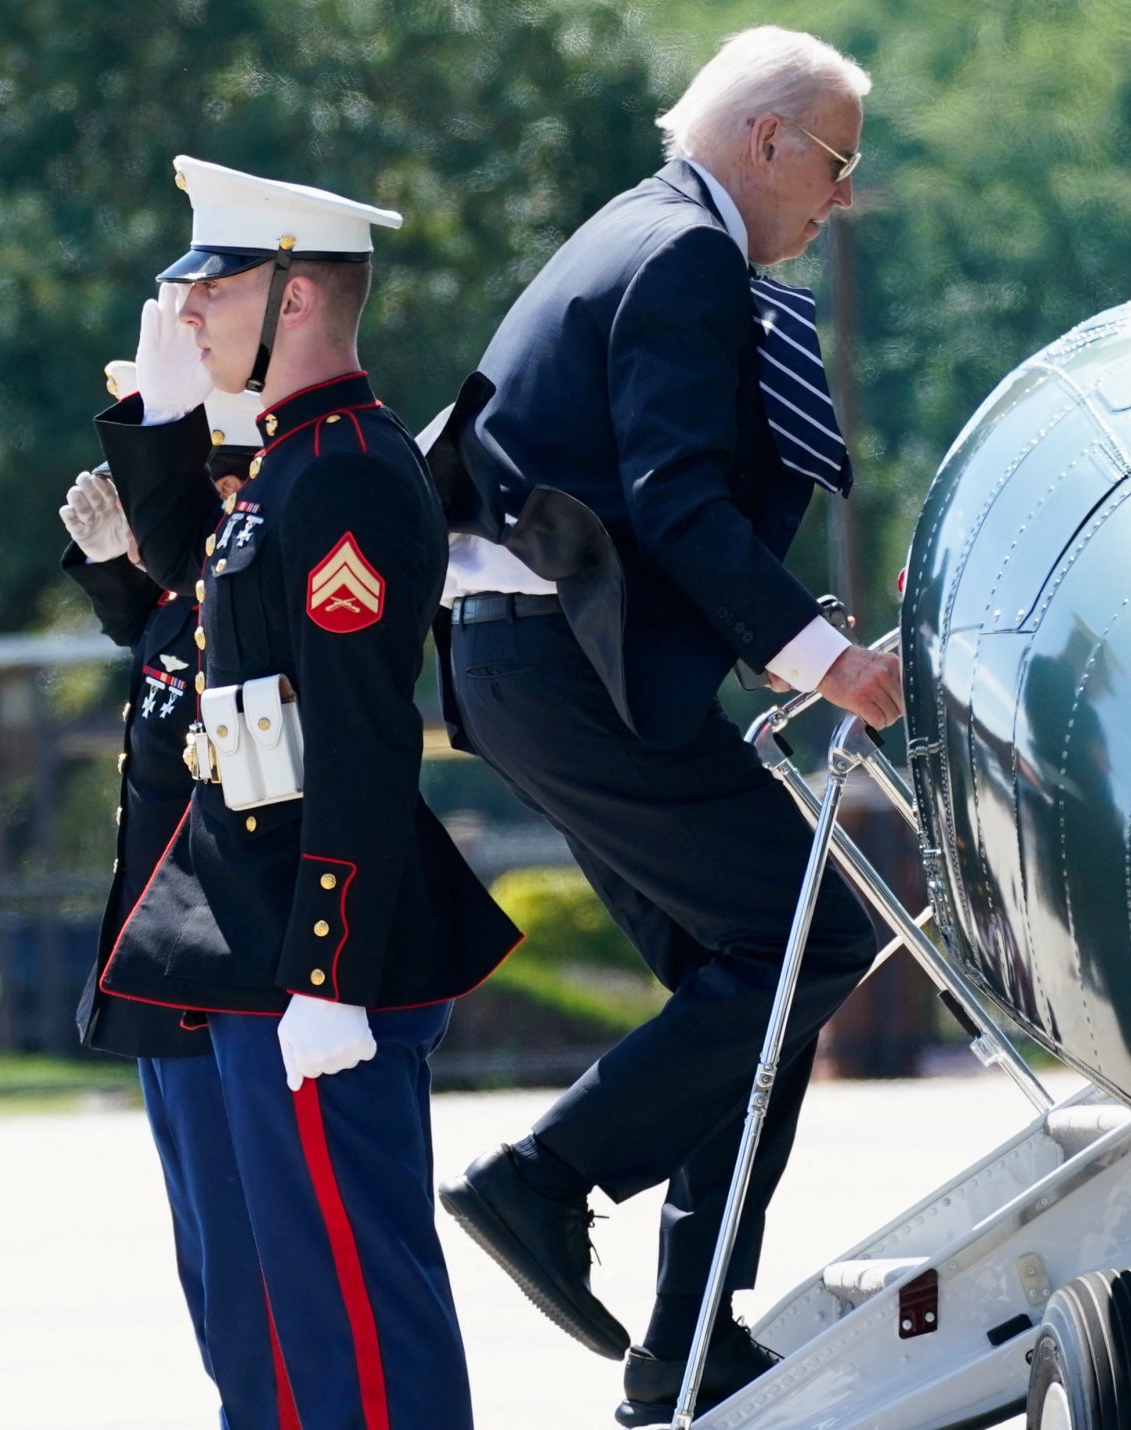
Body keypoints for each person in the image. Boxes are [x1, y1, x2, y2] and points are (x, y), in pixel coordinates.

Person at [428, 25, 899, 1426]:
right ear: (766, 141)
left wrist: (748, 629)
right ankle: (542, 1179)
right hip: (561, 668)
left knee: (746, 979)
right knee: (809, 938)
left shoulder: (634, 234)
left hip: (539, 666)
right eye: (836, 164)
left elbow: (634, 508)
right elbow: (678, 495)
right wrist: (827, 662)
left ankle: (686, 1343)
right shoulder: (684, 254)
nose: (842, 201)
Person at [93, 155, 521, 1430]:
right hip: (266, 943)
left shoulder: (337, 472)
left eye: (211, 289)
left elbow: (357, 739)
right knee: (286, 1322)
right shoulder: (285, 469)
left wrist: (325, 971)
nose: (188, 315)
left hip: (313, 953)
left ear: (291, 296)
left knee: (355, 1314)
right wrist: (162, 434)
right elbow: (201, 623)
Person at [59, 365, 294, 1426]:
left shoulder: (255, 569)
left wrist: (131, 577)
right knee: (219, 1277)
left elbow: (207, 666)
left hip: (220, 975)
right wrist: (120, 578)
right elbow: (166, 655)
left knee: (257, 1278)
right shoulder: (190, 592)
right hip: (168, 981)